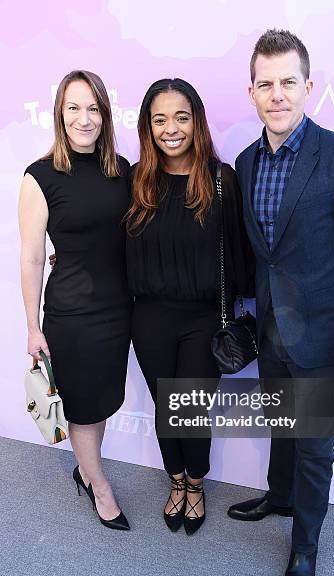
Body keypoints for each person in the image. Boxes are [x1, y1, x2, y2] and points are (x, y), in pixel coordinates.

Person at [227, 30, 334, 576]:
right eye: (265, 83)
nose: (277, 94)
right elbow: (256, 253)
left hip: (324, 337)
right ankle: (279, 495)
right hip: (272, 332)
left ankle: (304, 548)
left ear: (308, 87)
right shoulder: (246, 164)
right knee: (282, 426)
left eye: (288, 82)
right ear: (251, 92)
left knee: (315, 446)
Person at [125, 78, 254, 534]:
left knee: (191, 409)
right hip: (150, 318)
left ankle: (195, 484)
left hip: (204, 319)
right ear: (148, 127)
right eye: (159, 119)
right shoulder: (136, 179)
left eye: (181, 117)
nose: (171, 129)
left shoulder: (222, 180)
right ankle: (175, 482)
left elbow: (241, 251)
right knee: (166, 408)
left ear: (196, 120)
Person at [19, 70, 132, 531]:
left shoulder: (122, 170)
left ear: (104, 114)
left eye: (93, 108)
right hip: (72, 315)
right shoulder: (40, 176)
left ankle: (87, 469)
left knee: (99, 403)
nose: (84, 119)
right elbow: (30, 259)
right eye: (74, 108)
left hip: (118, 311)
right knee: (83, 410)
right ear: (59, 114)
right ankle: (98, 486)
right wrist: (32, 327)